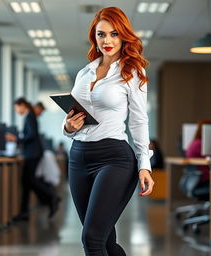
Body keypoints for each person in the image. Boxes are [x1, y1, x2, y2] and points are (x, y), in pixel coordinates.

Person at [62, 7, 154, 256]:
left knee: (91, 238)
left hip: (114, 158)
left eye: (114, 34)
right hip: (78, 157)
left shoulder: (132, 72)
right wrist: (68, 127)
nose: (107, 41)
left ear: (124, 36)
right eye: (101, 35)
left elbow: (139, 121)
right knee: (105, 241)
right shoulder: (84, 73)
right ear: (94, 37)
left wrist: (144, 164)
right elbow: (71, 117)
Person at [6, 98, 58, 220]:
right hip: (32, 153)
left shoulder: (29, 116)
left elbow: (32, 135)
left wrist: (16, 139)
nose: (16, 111)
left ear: (22, 105)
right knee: (27, 183)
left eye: (16, 108)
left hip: (33, 153)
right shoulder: (29, 115)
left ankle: (51, 197)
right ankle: (25, 212)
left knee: (30, 181)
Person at [186, 120, 211, 184]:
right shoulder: (199, 144)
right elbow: (209, 158)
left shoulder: (194, 143)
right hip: (203, 178)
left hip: (195, 179)